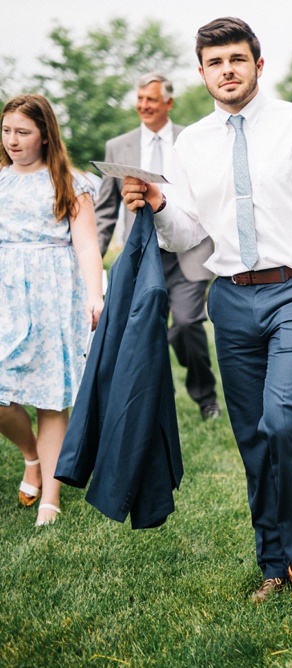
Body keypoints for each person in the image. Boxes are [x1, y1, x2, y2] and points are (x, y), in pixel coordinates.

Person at [121, 17, 292, 609]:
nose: (227, 71)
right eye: (215, 63)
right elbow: (186, 232)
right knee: (252, 438)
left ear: (258, 66)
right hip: (231, 296)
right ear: (202, 73)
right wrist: (160, 203)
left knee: (287, 421)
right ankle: (272, 561)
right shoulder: (192, 143)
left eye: (237, 59)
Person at [0, 94, 104, 526]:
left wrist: (96, 295)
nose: (12, 140)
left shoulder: (69, 182)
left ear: (45, 135)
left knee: (50, 398)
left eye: (22, 132)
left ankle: (51, 499)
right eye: (6, 131)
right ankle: (31, 456)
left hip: (54, 293)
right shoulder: (1, 180)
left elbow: (86, 244)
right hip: (6, 291)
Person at [95, 73, 220, 420]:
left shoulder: (192, 140)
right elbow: (105, 210)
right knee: (139, 330)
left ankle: (206, 397)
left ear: (168, 102)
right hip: (140, 255)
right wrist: (92, 260)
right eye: (139, 99)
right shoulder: (117, 146)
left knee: (185, 324)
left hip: (189, 254)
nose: (143, 105)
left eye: (151, 99)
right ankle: (140, 408)